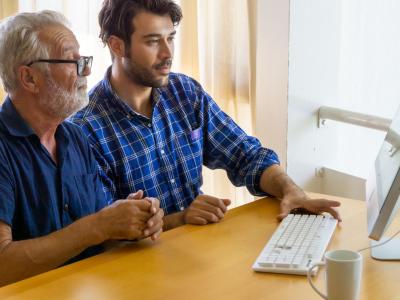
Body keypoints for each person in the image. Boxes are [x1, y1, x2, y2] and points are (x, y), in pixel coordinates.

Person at [71, 0, 341, 231]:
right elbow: (104, 231)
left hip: (196, 253)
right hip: (136, 273)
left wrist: (290, 190)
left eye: (171, 38)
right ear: (117, 46)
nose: (167, 53)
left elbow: (246, 156)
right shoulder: (86, 128)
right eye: (153, 41)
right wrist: (181, 219)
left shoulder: (185, 93)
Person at [0, 10, 164, 286]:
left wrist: (130, 220)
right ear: (29, 78)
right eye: (71, 62)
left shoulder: (75, 136)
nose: (87, 71)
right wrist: (98, 226)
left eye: (84, 60)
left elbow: (97, 238)